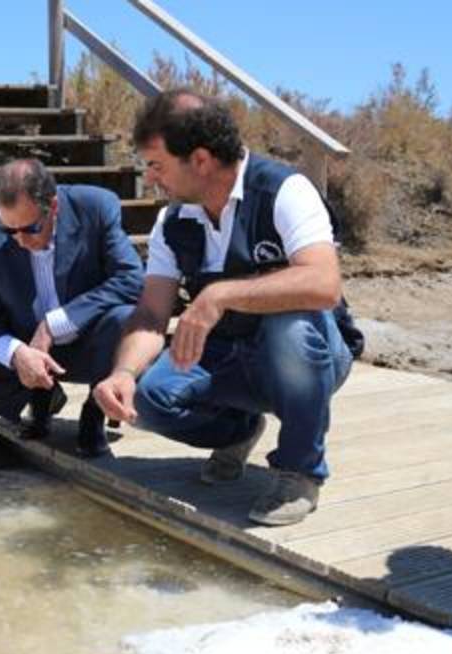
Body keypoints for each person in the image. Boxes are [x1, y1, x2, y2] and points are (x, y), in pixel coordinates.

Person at [94, 89, 362, 526]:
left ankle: (300, 471)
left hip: (311, 355)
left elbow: (323, 284)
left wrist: (218, 294)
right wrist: (122, 374)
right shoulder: (174, 220)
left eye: (157, 166)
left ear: (199, 160)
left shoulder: (284, 190)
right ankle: (238, 430)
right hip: (230, 354)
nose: (151, 179)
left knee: (290, 328)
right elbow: (150, 314)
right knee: (150, 400)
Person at [0, 158, 143, 458]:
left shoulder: (95, 207)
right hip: (27, 345)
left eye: (30, 228)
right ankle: (41, 395)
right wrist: (16, 354)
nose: (20, 240)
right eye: (9, 230)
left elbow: (132, 279)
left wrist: (53, 325)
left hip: (89, 345)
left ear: (53, 207)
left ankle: (94, 412)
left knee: (125, 318)